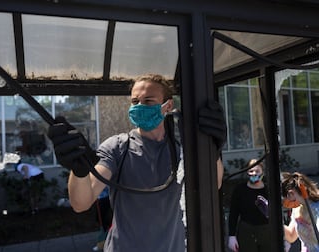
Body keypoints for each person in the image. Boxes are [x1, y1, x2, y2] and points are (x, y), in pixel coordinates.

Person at [48, 74, 227, 251]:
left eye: (148, 101)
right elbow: (81, 203)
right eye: (135, 102)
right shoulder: (118, 147)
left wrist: (212, 150)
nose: (140, 107)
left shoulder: (182, 148)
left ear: (168, 106)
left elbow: (213, 184)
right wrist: (79, 171)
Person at [227, 159, 270, 252]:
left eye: (257, 171)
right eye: (251, 171)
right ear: (247, 172)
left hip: (266, 231)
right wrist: (232, 235)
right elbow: (233, 213)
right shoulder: (240, 190)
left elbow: (277, 214)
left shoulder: (268, 190)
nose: (254, 173)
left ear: (263, 172)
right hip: (246, 230)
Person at [281, 172, 319, 251]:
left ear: (290, 194)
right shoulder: (297, 209)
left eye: (283, 199)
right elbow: (291, 236)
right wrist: (273, 218)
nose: (283, 203)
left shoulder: (317, 208)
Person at [93, 186, 112, 251]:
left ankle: (105, 242)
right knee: (100, 220)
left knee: (105, 220)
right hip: (102, 198)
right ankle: (105, 241)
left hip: (105, 198)